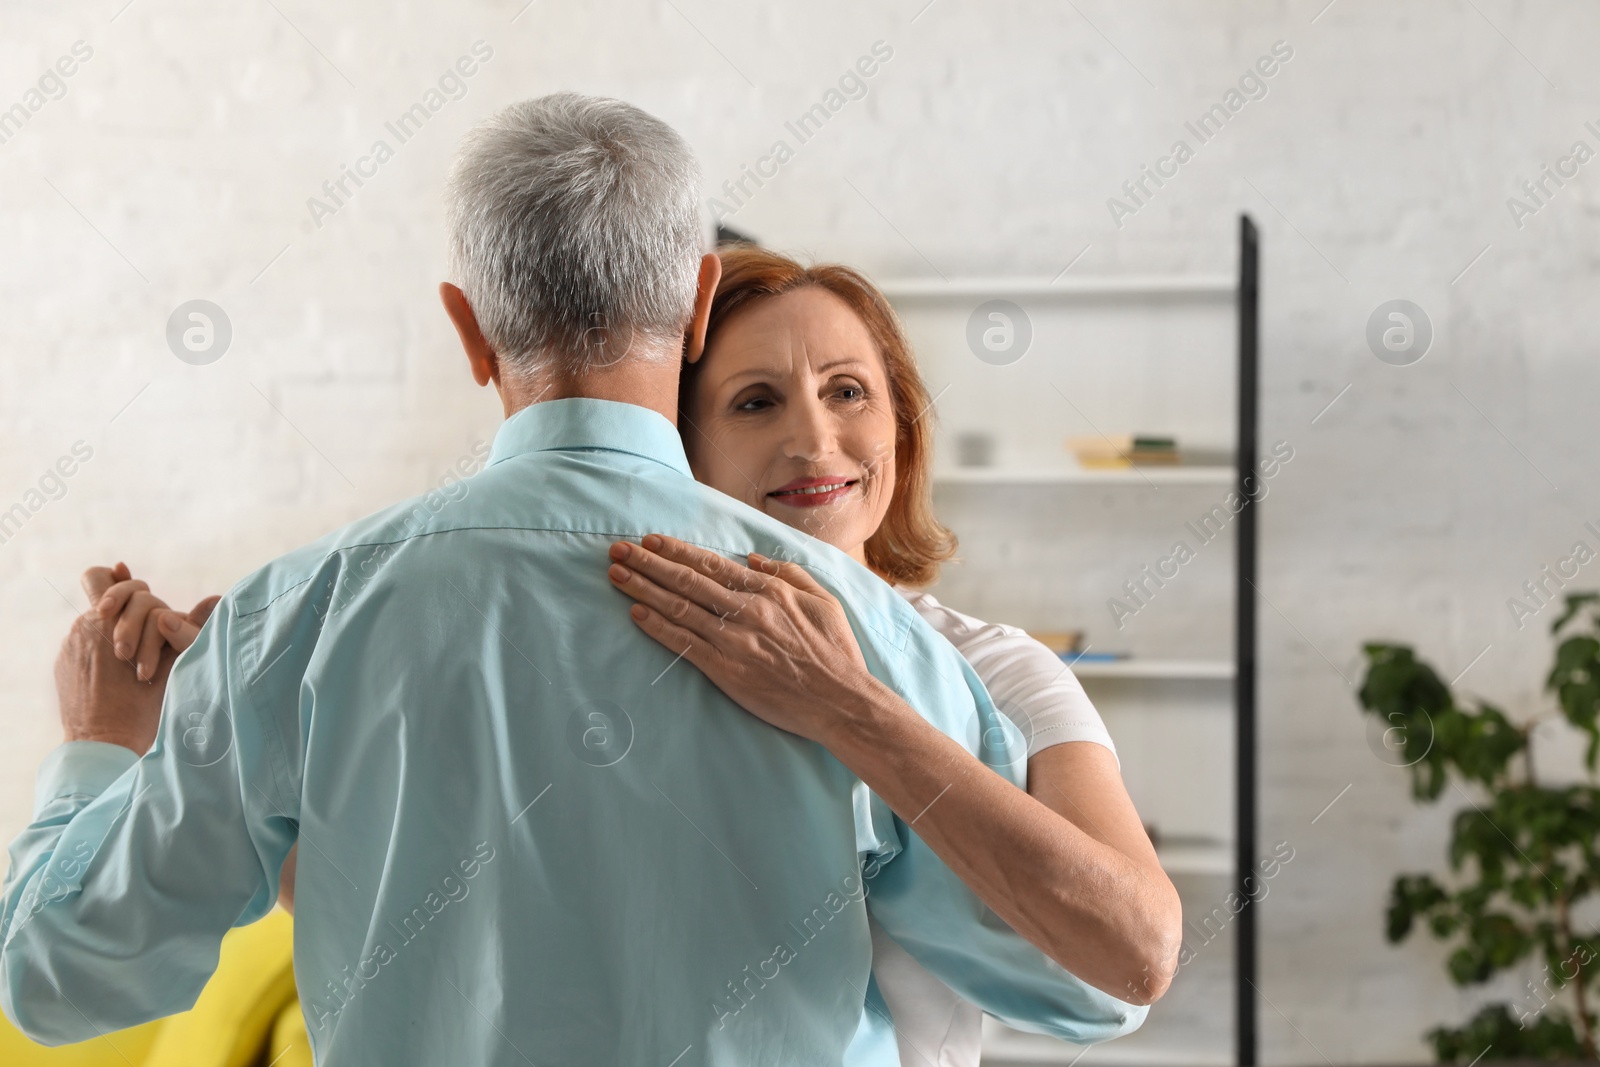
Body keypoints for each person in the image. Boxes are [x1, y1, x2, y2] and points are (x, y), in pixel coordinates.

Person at [0, 94, 1149, 1066]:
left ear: (467, 329)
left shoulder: (295, 616)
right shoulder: (858, 638)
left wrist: (110, 740)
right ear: (699, 306)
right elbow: (1083, 984)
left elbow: (55, 978)